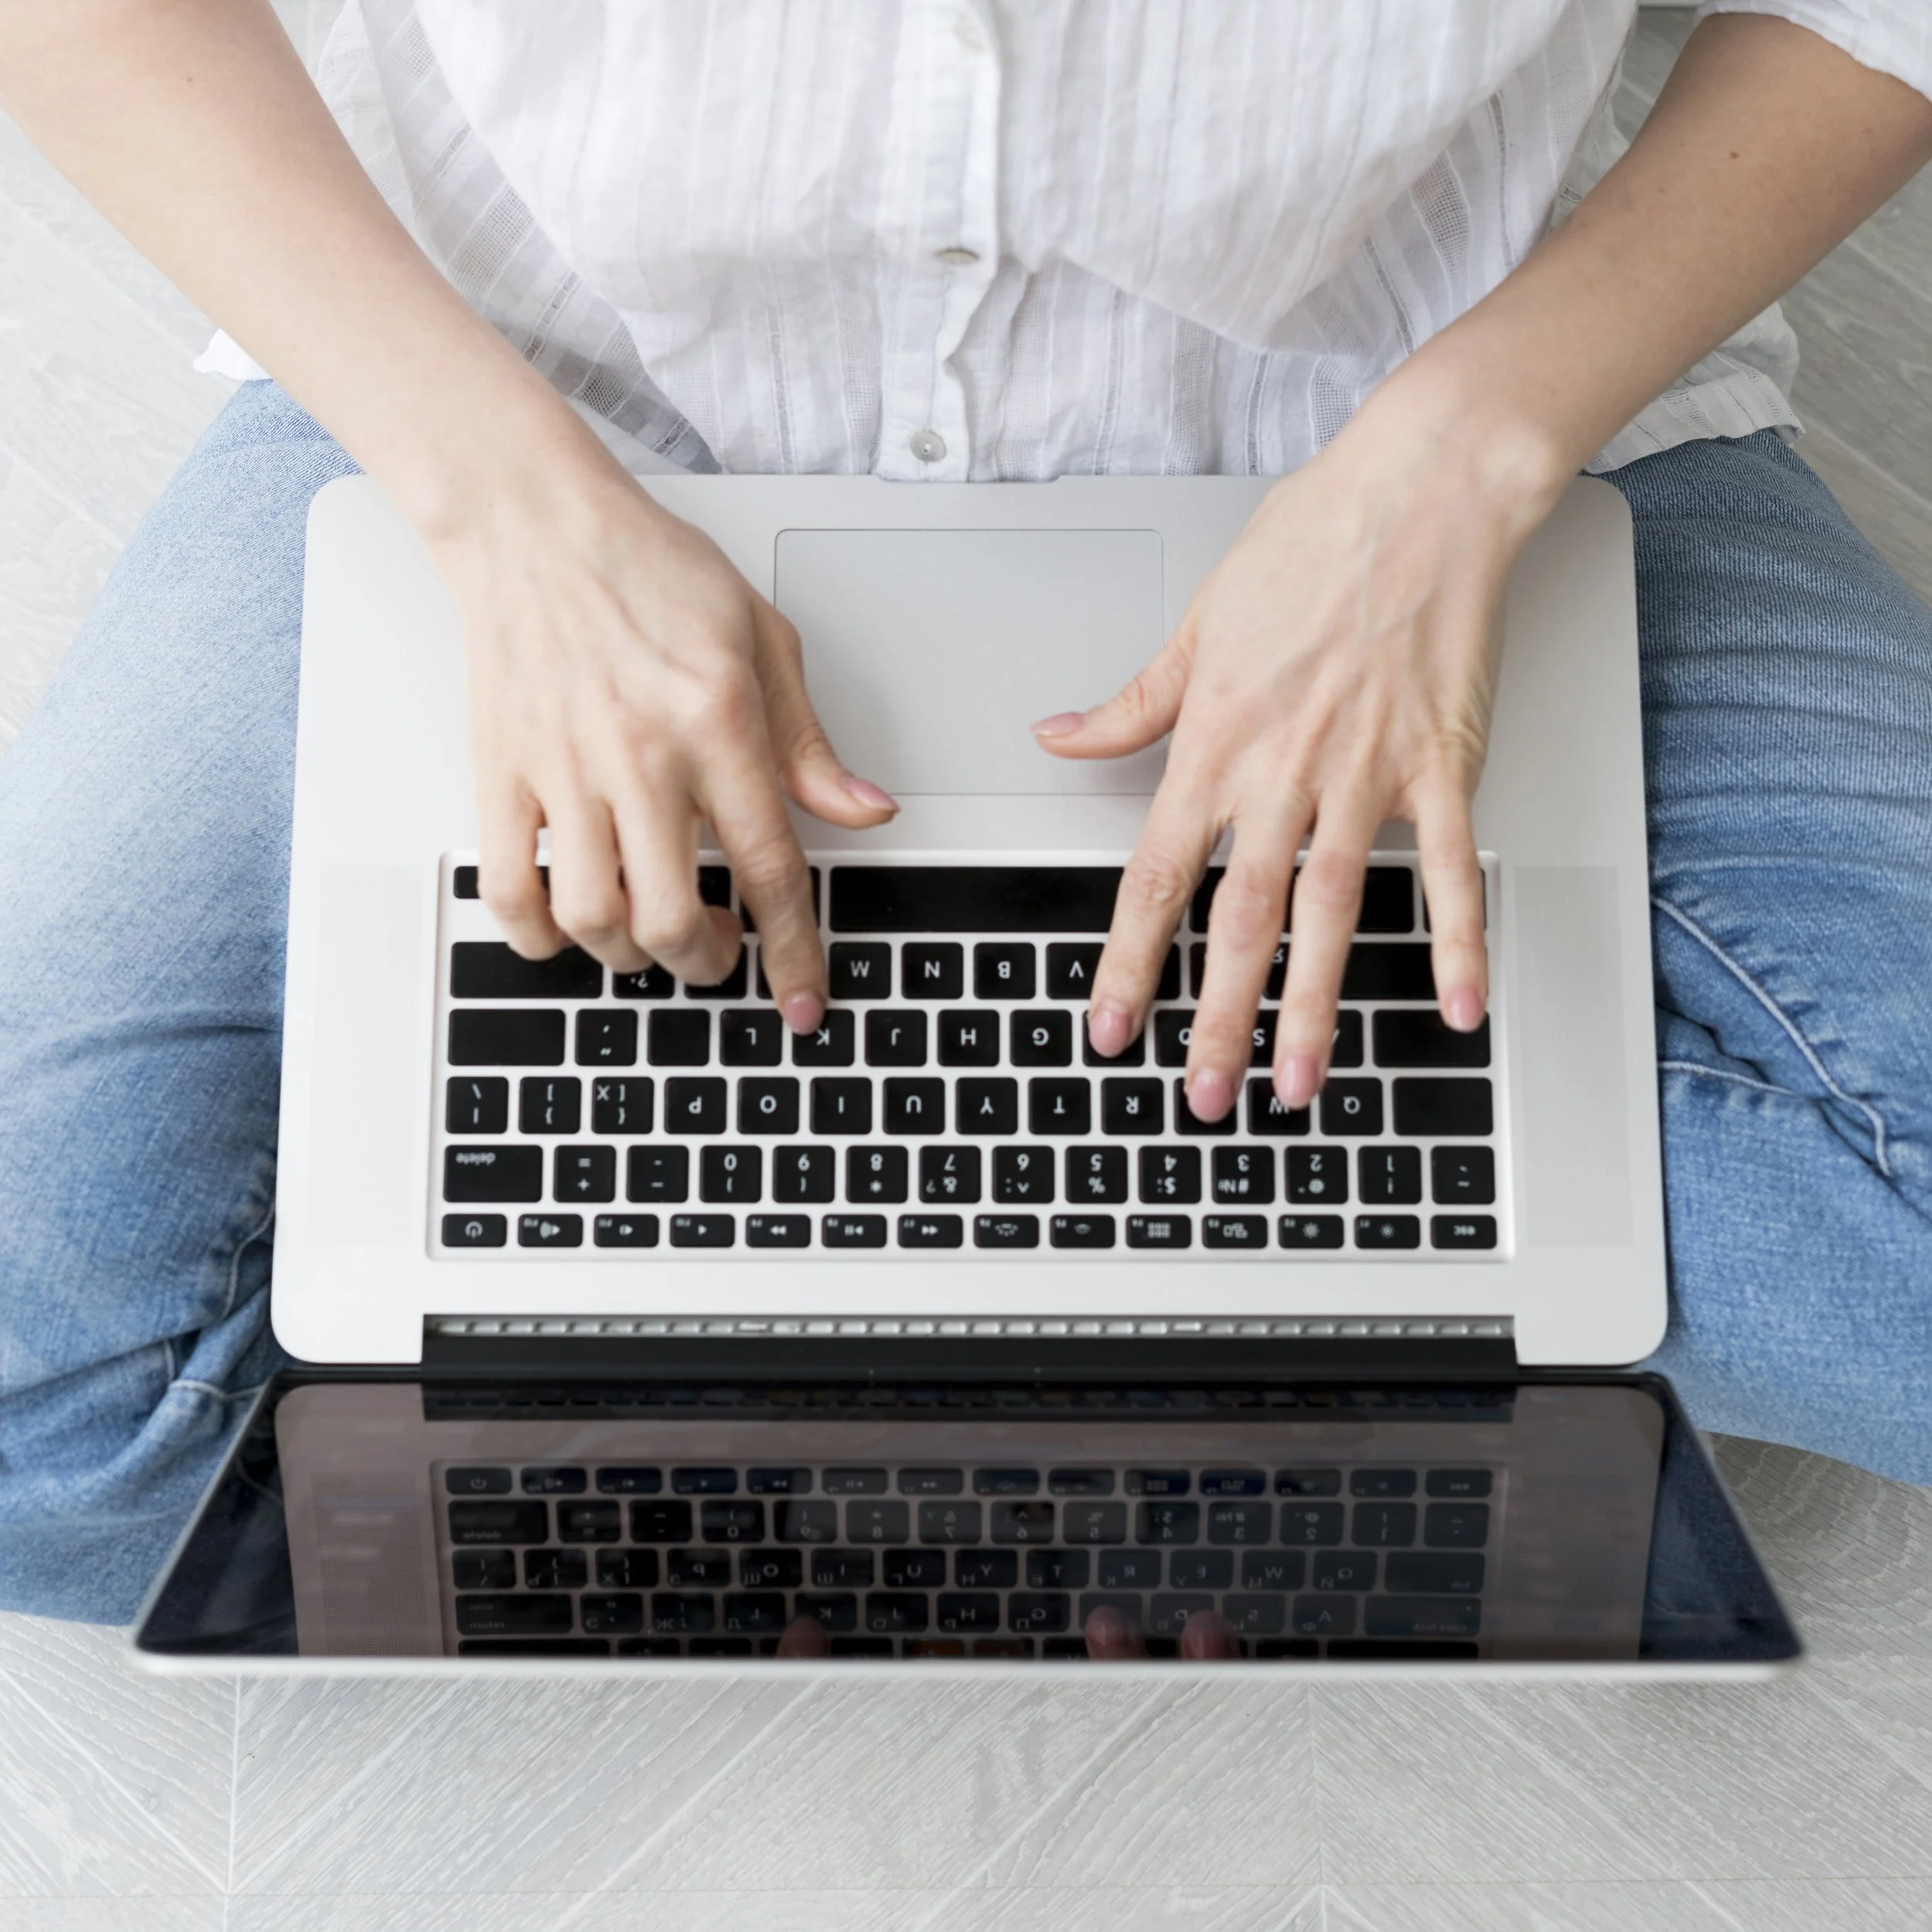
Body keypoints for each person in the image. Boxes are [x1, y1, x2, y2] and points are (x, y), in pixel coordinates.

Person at [0, 1, 1928, 1627]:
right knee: (36, 1411)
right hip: (518, 397)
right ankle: (1223, 1349)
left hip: (1436, 386)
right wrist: (503, 505)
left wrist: (1464, 450)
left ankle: (1065, 1331)